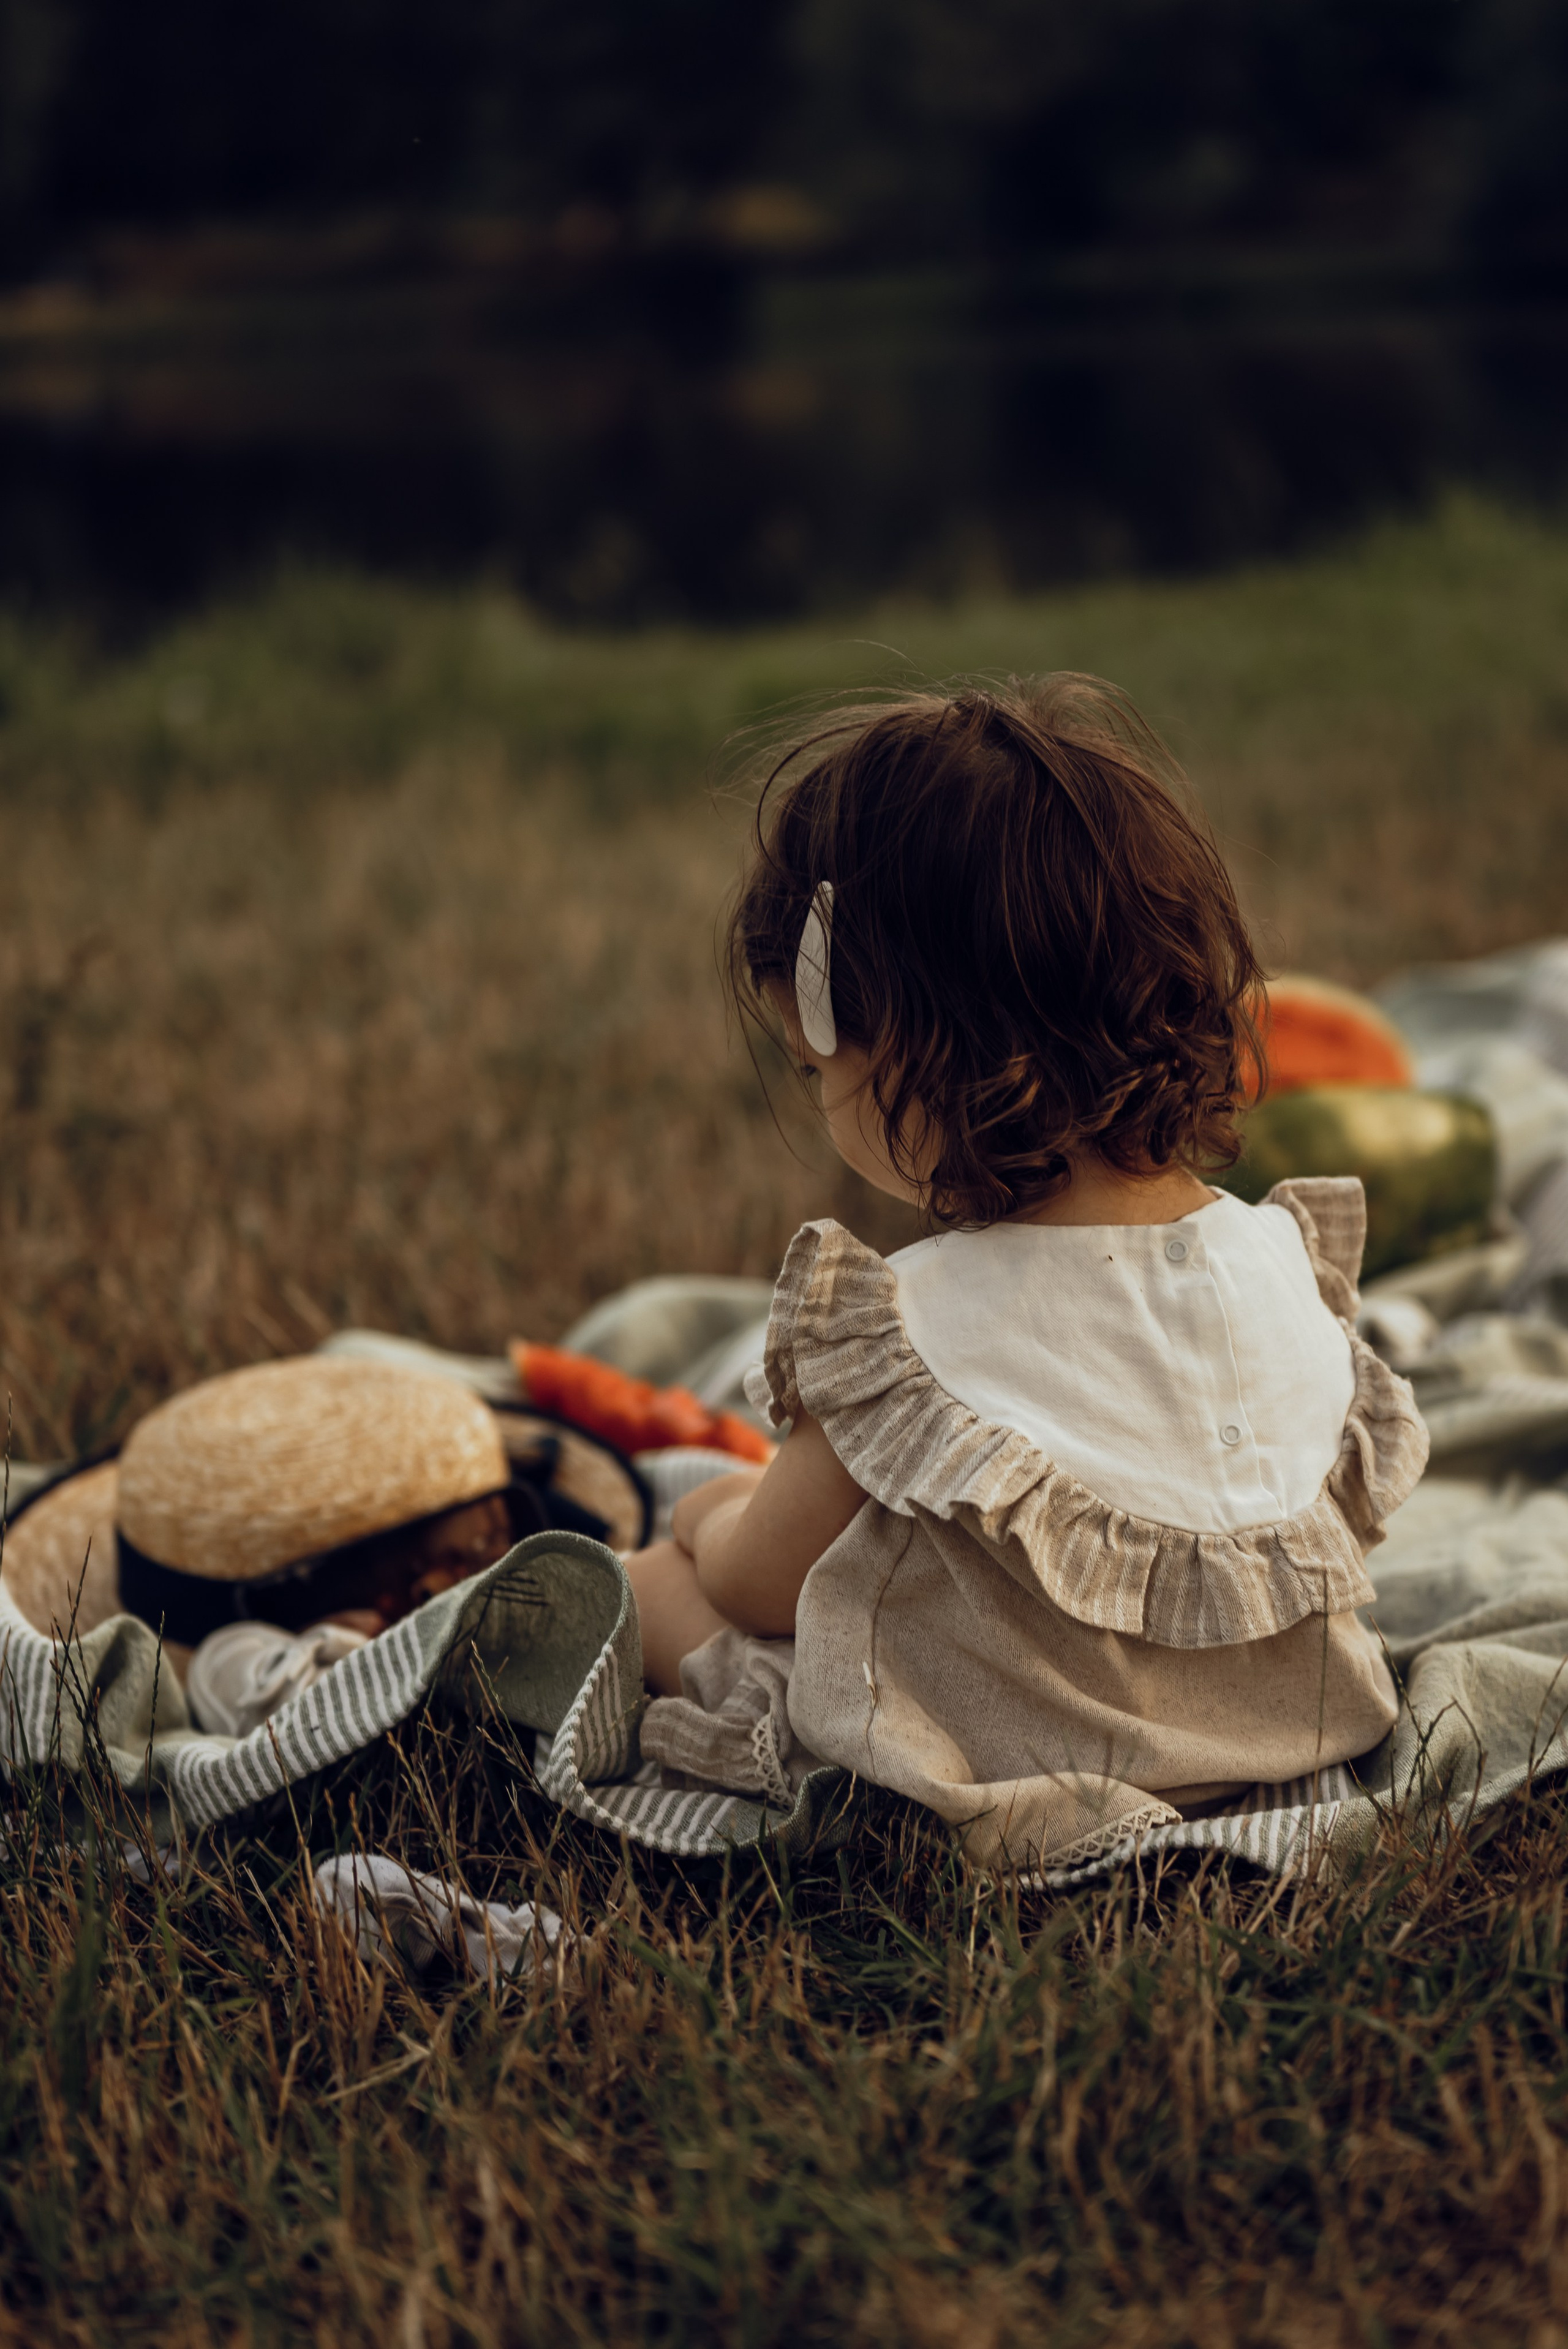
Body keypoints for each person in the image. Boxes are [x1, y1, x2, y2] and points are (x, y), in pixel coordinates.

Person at [625, 677, 1429, 1869]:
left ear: (897, 1049)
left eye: (816, 1069)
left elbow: (757, 1584)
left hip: (996, 1759)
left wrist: (702, 1515)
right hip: (1289, 1730)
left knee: (639, 1582)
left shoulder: (910, 1329)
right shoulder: (1278, 1261)